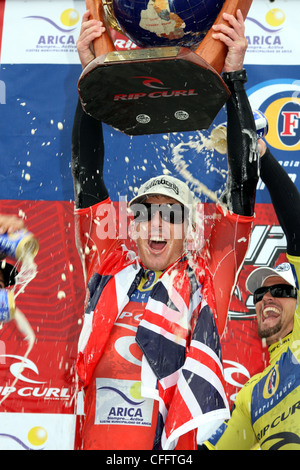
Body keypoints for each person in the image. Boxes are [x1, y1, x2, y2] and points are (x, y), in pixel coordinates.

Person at [72, 10, 259, 450]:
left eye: (170, 214)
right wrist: (91, 80)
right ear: (130, 228)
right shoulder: (109, 267)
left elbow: (243, 183)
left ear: (189, 230)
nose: (156, 222)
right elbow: (87, 176)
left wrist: (233, 79)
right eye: (145, 213)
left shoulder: (207, 280)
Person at [205, 139, 300, 450]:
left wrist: (263, 157)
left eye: (281, 291)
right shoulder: (250, 395)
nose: (267, 298)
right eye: (260, 294)